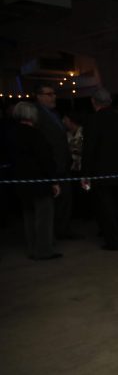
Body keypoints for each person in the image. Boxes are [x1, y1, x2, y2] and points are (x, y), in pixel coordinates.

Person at [81, 88, 118, 250]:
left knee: (106, 208)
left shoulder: (93, 121)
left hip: (101, 173)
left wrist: (85, 174)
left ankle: (114, 242)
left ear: (93, 102)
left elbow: (89, 150)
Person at [9, 101, 61, 260]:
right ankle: (44, 250)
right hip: (39, 181)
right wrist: (54, 181)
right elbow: (45, 159)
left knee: (29, 216)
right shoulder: (35, 134)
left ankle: (32, 248)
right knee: (44, 217)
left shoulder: (11, 134)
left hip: (20, 181)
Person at [35, 84, 77, 239]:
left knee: (66, 199)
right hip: (50, 165)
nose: (53, 97)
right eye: (49, 94)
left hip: (62, 164)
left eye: (54, 94)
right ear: (39, 96)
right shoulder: (37, 115)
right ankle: (52, 233)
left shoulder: (54, 114)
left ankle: (63, 229)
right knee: (52, 201)